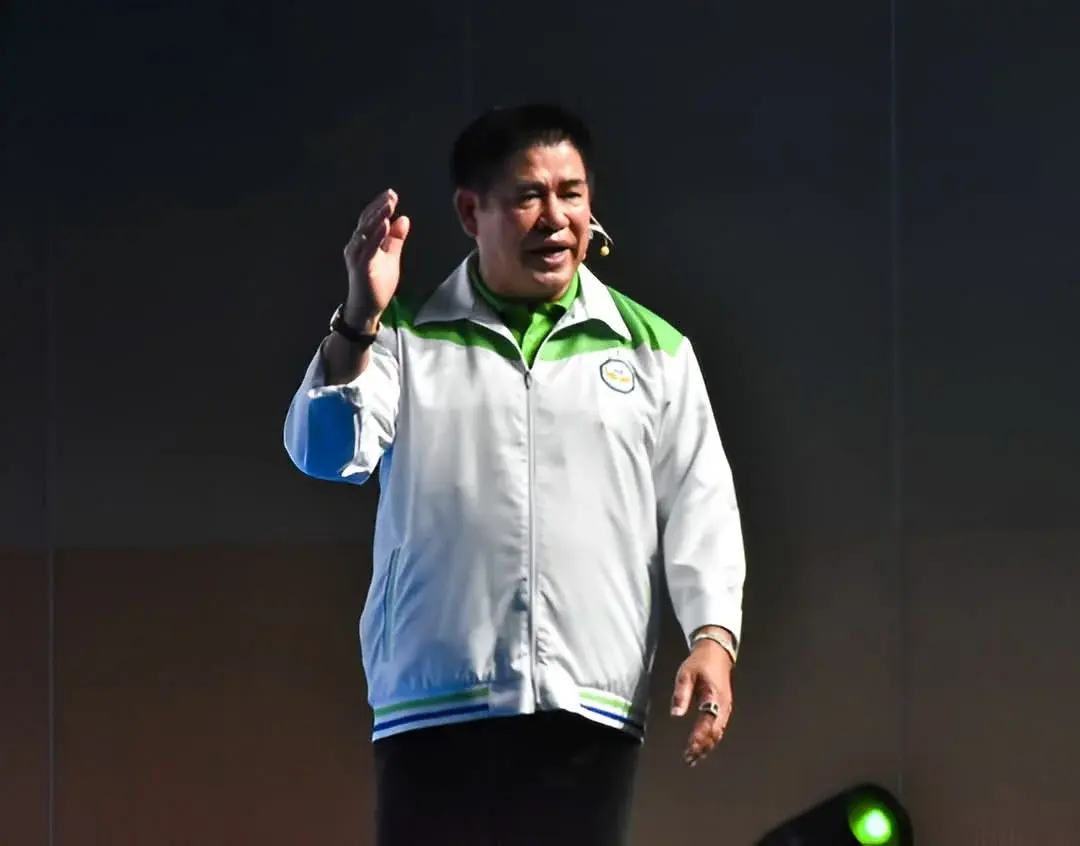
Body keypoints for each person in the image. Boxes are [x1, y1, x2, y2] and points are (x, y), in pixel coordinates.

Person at [283, 103, 747, 846]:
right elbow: (327, 453)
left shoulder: (654, 350)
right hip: (433, 701)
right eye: (529, 195)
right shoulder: (405, 336)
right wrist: (358, 320)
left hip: (589, 702)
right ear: (472, 212)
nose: (556, 218)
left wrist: (713, 638)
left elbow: (703, 504)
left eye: (572, 193)